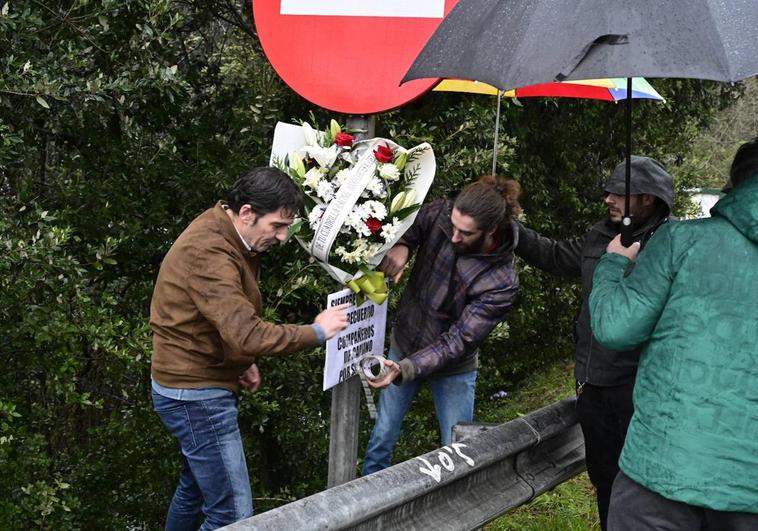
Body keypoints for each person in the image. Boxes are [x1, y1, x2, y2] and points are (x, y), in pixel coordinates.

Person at [149, 167, 349, 530]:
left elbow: (217, 319)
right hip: (196, 394)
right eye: (277, 225)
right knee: (233, 514)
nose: (284, 236)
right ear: (246, 213)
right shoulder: (209, 251)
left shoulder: (227, 233)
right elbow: (247, 332)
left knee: (195, 491)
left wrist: (240, 360)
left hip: (194, 381)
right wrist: (318, 331)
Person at [590, 139, 758, 531]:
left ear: (736, 182)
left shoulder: (681, 241)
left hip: (661, 473)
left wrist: (613, 263)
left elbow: (615, 327)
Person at [514, 156, 674, 530]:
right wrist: (514, 232)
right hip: (592, 385)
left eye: (618, 192)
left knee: (642, 485)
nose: (608, 198)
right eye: (608, 190)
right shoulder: (601, 235)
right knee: (604, 478)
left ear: (647, 199)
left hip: (641, 388)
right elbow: (556, 256)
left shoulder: (671, 244)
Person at [361, 175, 521, 475]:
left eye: (465, 233)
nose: (454, 236)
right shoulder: (442, 214)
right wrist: (404, 244)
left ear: (491, 231)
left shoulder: (502, 282)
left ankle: (457, 514)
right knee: (382, 437)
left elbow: (457, 341)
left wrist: (405, 369)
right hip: (405, 342)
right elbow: (408, 226)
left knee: (459, 451)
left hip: (453, 368)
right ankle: (362, 511)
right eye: (454, 226)